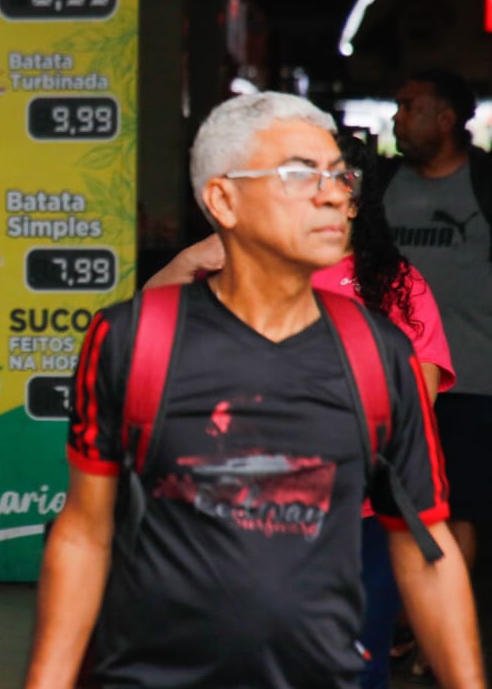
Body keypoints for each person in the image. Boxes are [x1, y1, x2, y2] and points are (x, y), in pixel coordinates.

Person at [26, 92, 482, 687]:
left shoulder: (378, 354)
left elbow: (425, 553)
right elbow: (85, 534)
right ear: (224, 200)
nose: (332, 193)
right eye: (299, 174)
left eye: (337, 175)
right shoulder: (136, 340)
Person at [146, 131, 455, 688]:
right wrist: (193, 258)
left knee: (356, 664)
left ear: (353, 200)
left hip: (364, 516)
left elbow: (417, 402)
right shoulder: (244, 270)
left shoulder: (396, 287)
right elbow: (147, 320)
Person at [384, 69, 492, 584]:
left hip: (472, 380)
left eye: (410, 107)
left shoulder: (485, 183)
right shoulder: (382, 184)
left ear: (446, 120)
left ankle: (440, 626)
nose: (397, 119)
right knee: (389, 507)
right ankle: (400, 617)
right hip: (391, 380)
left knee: (457, 508)